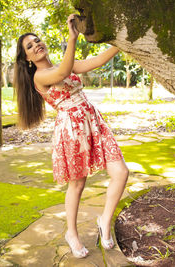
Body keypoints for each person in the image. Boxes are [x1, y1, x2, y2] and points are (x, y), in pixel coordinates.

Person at [14, 14, 129, 258]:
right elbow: (66, 69)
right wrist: (72, 36)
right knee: (77, 184)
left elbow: (96, 60)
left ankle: (104, 221)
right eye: (30, 46)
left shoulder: (62, 64)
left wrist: (123, 40)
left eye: (37, 40)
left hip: (93, 120)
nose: (37, 45)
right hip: (72, 128)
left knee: (121, 172)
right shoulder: (40, 77)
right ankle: (72, 234)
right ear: (27, 57)